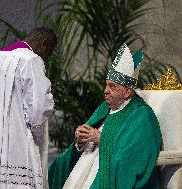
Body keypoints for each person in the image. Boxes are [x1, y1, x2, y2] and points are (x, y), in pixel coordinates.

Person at [49, 43, 162, 189]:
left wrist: (102, 139)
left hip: (108, 170)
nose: (105, 91)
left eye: (112, 87)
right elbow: (85, 140)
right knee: (59, 164)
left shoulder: (141, 114)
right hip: (85, 166)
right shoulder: (105, 108)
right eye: (106, 85)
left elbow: (137, 155)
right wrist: (81, 140)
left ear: (127, 92)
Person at [0, 27, 57, 189]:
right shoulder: (30, 60)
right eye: (49, 52)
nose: (46, 58)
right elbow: (38, 109)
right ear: (43, 44)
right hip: (17, 145)